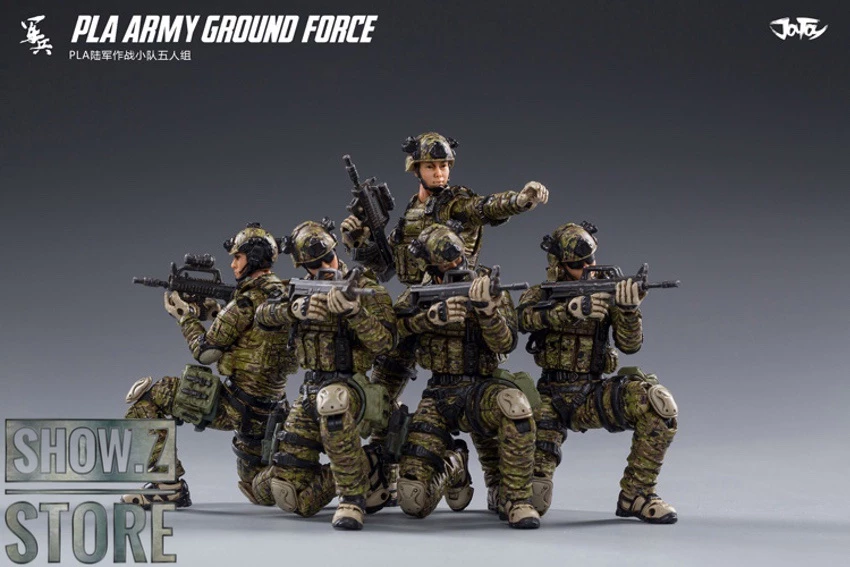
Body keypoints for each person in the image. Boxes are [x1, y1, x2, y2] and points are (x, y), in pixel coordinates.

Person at [340, 132, 549, 501]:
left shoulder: (456, 202)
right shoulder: (411, 211)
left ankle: (491, 471)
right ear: (415, 169)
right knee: (383, 383)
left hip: (460, 293)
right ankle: (381, 463)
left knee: (474, 374)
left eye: (444, 165)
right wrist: (358, 241)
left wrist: (520, 200)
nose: (440, 173)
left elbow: (486, 208)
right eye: (431, 166)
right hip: (418, 297)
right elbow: (388, 264)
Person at [122, 223, 296, 508]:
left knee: (151, 397)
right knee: (259, 491)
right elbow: (252, 336)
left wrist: (184, 316)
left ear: (253, 258)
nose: (233, 264)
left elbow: (205, 352)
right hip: (271, 412)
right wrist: (216, 312)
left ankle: (168, 487)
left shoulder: (245, 302)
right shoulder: (283, 295)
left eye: (237, 257)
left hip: (236, 408)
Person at [518, 221, 679, 524]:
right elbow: (522, 319)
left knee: (658, 404)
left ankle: (637, 494)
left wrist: (628, 310)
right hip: (550, 398)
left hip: (590, 395)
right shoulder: (542, 293)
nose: (588, 268)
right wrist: (570, 311)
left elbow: (630, 345)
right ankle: (504, 492)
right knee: (534, 497)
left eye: (590, 260)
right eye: (578, 264)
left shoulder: (606, 289)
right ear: (558, 265)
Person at [250, 219, 396, 530]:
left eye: (328, 258)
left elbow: (386, 343)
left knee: (333, 402)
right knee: (291, 497)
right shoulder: (298, 290)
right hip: (311, 389)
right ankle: (370, 463)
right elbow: (262, 315)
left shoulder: (366, 288)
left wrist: (355, 312)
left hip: (352, 387)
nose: (325, 267)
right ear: (304, 266)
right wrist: (294, 310)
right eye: (315, 264)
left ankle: (352, 498)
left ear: (335, 251)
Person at [394, 224, 540, 529]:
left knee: (515, 405)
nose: (456, 266)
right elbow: (392, 330)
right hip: (438, 394)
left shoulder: (486, 284)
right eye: (446, 265)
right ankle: (454, 463)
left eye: (459, 259)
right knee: (411, 498)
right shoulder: (417, 293)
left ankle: (517, 498)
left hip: (480, 390)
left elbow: (506, 343)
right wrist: (429, 318)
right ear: (430, 267)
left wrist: (488, 312)